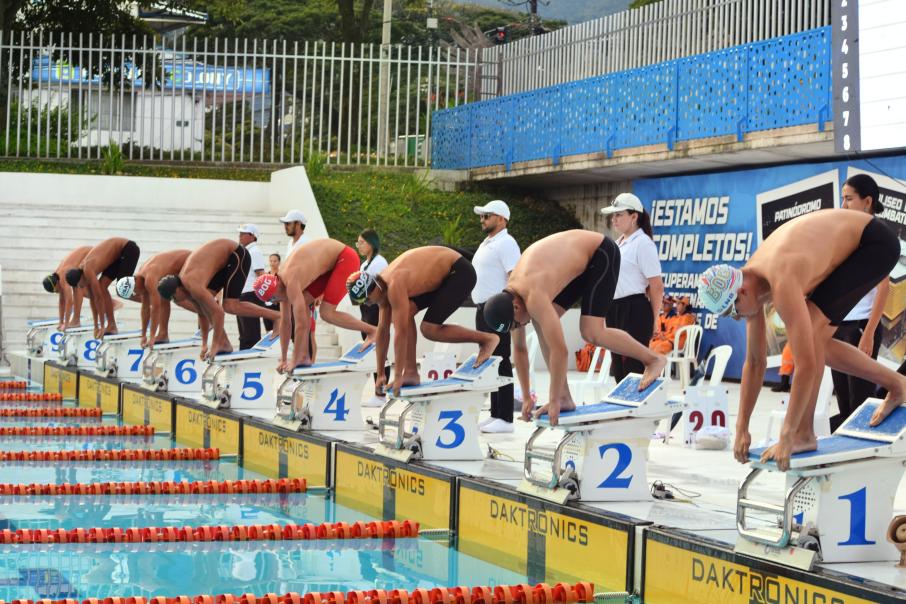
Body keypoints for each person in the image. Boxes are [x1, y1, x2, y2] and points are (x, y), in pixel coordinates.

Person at [697, 208, 906, 471]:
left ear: (741, 292)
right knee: (817, 340)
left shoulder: (781, 279)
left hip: (873, 244)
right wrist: (742, 427)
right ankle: (898, 384)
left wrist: (787, 434)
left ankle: (804, 434)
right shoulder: (751, 285)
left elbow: (806, 365)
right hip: (851, 247)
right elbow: (754, 361)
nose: (737, 318)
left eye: (733, 311)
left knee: (812, 339)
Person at [480, 230, 666, 425]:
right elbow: (519, 349)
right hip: (579, 261)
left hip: (601, 253)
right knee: (541, 324)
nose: (521, 326)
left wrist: (552, 400)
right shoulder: (512, 299)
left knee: (591, 331)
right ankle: (565, 397)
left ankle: (653, 359)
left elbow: (560, 351)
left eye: (518, 324)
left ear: (516, 307)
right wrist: (527, 397)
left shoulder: (533, 296)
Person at [346, 246, 499, 396]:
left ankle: (487, 339)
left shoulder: (394, 285)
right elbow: (382, 332)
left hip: (459, 272)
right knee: (406, 313)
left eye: (366, 300)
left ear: (374, 288)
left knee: (429, 329)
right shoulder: (381, 288)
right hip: (440, 276)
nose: (368, 304)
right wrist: (380, 374)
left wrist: (397, 376)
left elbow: (401, 333)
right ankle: (411, 372)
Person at [252, 238, 376, 372]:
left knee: (326, 313)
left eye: (274, 299)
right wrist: (283, 359)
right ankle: (304, 356)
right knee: (302, 303)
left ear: (276, 290)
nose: (276, 302)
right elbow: (285, 323)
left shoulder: (290, 281)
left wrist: (294, 359)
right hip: (328, 266)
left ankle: (373, 331)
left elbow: (300, 324)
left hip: (344, 258)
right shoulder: (280, 284)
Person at [830, 174, 890, 430]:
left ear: (867, 202)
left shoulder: (877, 236)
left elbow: (884, 288)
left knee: (860, 401)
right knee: (843, 399)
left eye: (849, 198)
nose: (843, 205)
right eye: (842, 198)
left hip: (861, 327)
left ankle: (863, 454)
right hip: (838, 326)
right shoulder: (844, 234)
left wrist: (869, 332)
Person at [157, 239, 280, 359]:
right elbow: (202, 313)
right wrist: (205, 344)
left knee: (230, 306)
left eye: (174, 298)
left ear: (177, 289)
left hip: (236, 254)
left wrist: (214, 345)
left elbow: (219, 314)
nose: (177, 301)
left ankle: (277, 316)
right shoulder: (187, 287)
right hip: (223, 261)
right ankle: (224, 343)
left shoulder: (192, 285)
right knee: (207, 306)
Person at [471, 200, 532, 433]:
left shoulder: (506, 243)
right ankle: (496, 412)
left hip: (498, 309)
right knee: (489, 362)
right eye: (482, 216)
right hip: (483, 308)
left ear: (501, 218)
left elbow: (514, 277)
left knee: (500, 359)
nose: (482, 219)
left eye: (487, 215)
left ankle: (505, 417)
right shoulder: (488, 242)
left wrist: (513, 310)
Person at [601, 193, 664, 382]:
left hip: (634, 309)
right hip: (614, 309)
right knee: (618, 368)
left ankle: (633, 410)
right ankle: (622, 409)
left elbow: (656, 286)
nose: (614, 219)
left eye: (619, 215)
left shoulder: (643, 243)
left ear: (634, 216)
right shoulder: (618, 243)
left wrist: (654, 319)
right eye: (613, 215)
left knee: (632, 367)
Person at [65, 237, 141, 338]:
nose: (81, 287)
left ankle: (151, 301)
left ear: (80, 278)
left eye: (80, 285)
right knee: (102, 286)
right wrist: (96, 326)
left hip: (128, 249)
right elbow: (93, 300)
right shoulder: (83, 273)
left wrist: (101, 326)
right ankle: (111, 325)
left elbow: (99, 298)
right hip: (117, 256)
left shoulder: (88, 270)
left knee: (122, 290)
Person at [115, 249, 191, 348]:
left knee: (178, 298)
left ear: (135, 281)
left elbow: (156, 308)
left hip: (190, 260)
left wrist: (151, 336)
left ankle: (208, 316)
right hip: (179, 264)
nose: (137, 294)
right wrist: (143, 335)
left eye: (134, 292)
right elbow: (145, 308)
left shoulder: (149, 279)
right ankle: (163, 334)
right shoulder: (141, 278)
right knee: (164, 296)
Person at [354, 229, 390, 407]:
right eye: (357, 242)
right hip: (366, 309)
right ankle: (378, 393)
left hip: (376, 308)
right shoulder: (364, 264)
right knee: (372, 349)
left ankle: (381, 394)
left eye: (362, 242)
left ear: (372, 243)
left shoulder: (380, 263)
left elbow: (383, 288)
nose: (359, 246)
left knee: (380, 351)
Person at [236, 224, 268, 350]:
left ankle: (250, 358)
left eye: (243, 234)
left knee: (250, 332)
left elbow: (260, 275)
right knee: (244, 333)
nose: (240, 236)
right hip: (243, 295)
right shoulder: (247, 251)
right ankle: (243, 356)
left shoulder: (255, 251)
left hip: (250, 295)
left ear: (252, 236)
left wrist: (265, 297)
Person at [44, 246, 91, 331]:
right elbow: (62, 301)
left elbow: (69, 301)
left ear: (56, 284)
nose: (58, 292)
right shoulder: (57, 276)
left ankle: (76, 321)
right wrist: (61, 322)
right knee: (84, 290)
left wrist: (66, 324)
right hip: (85, 257)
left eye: (56, 291)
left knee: (78, 287)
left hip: (91, 255)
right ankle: (111, 303)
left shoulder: (63, 277)